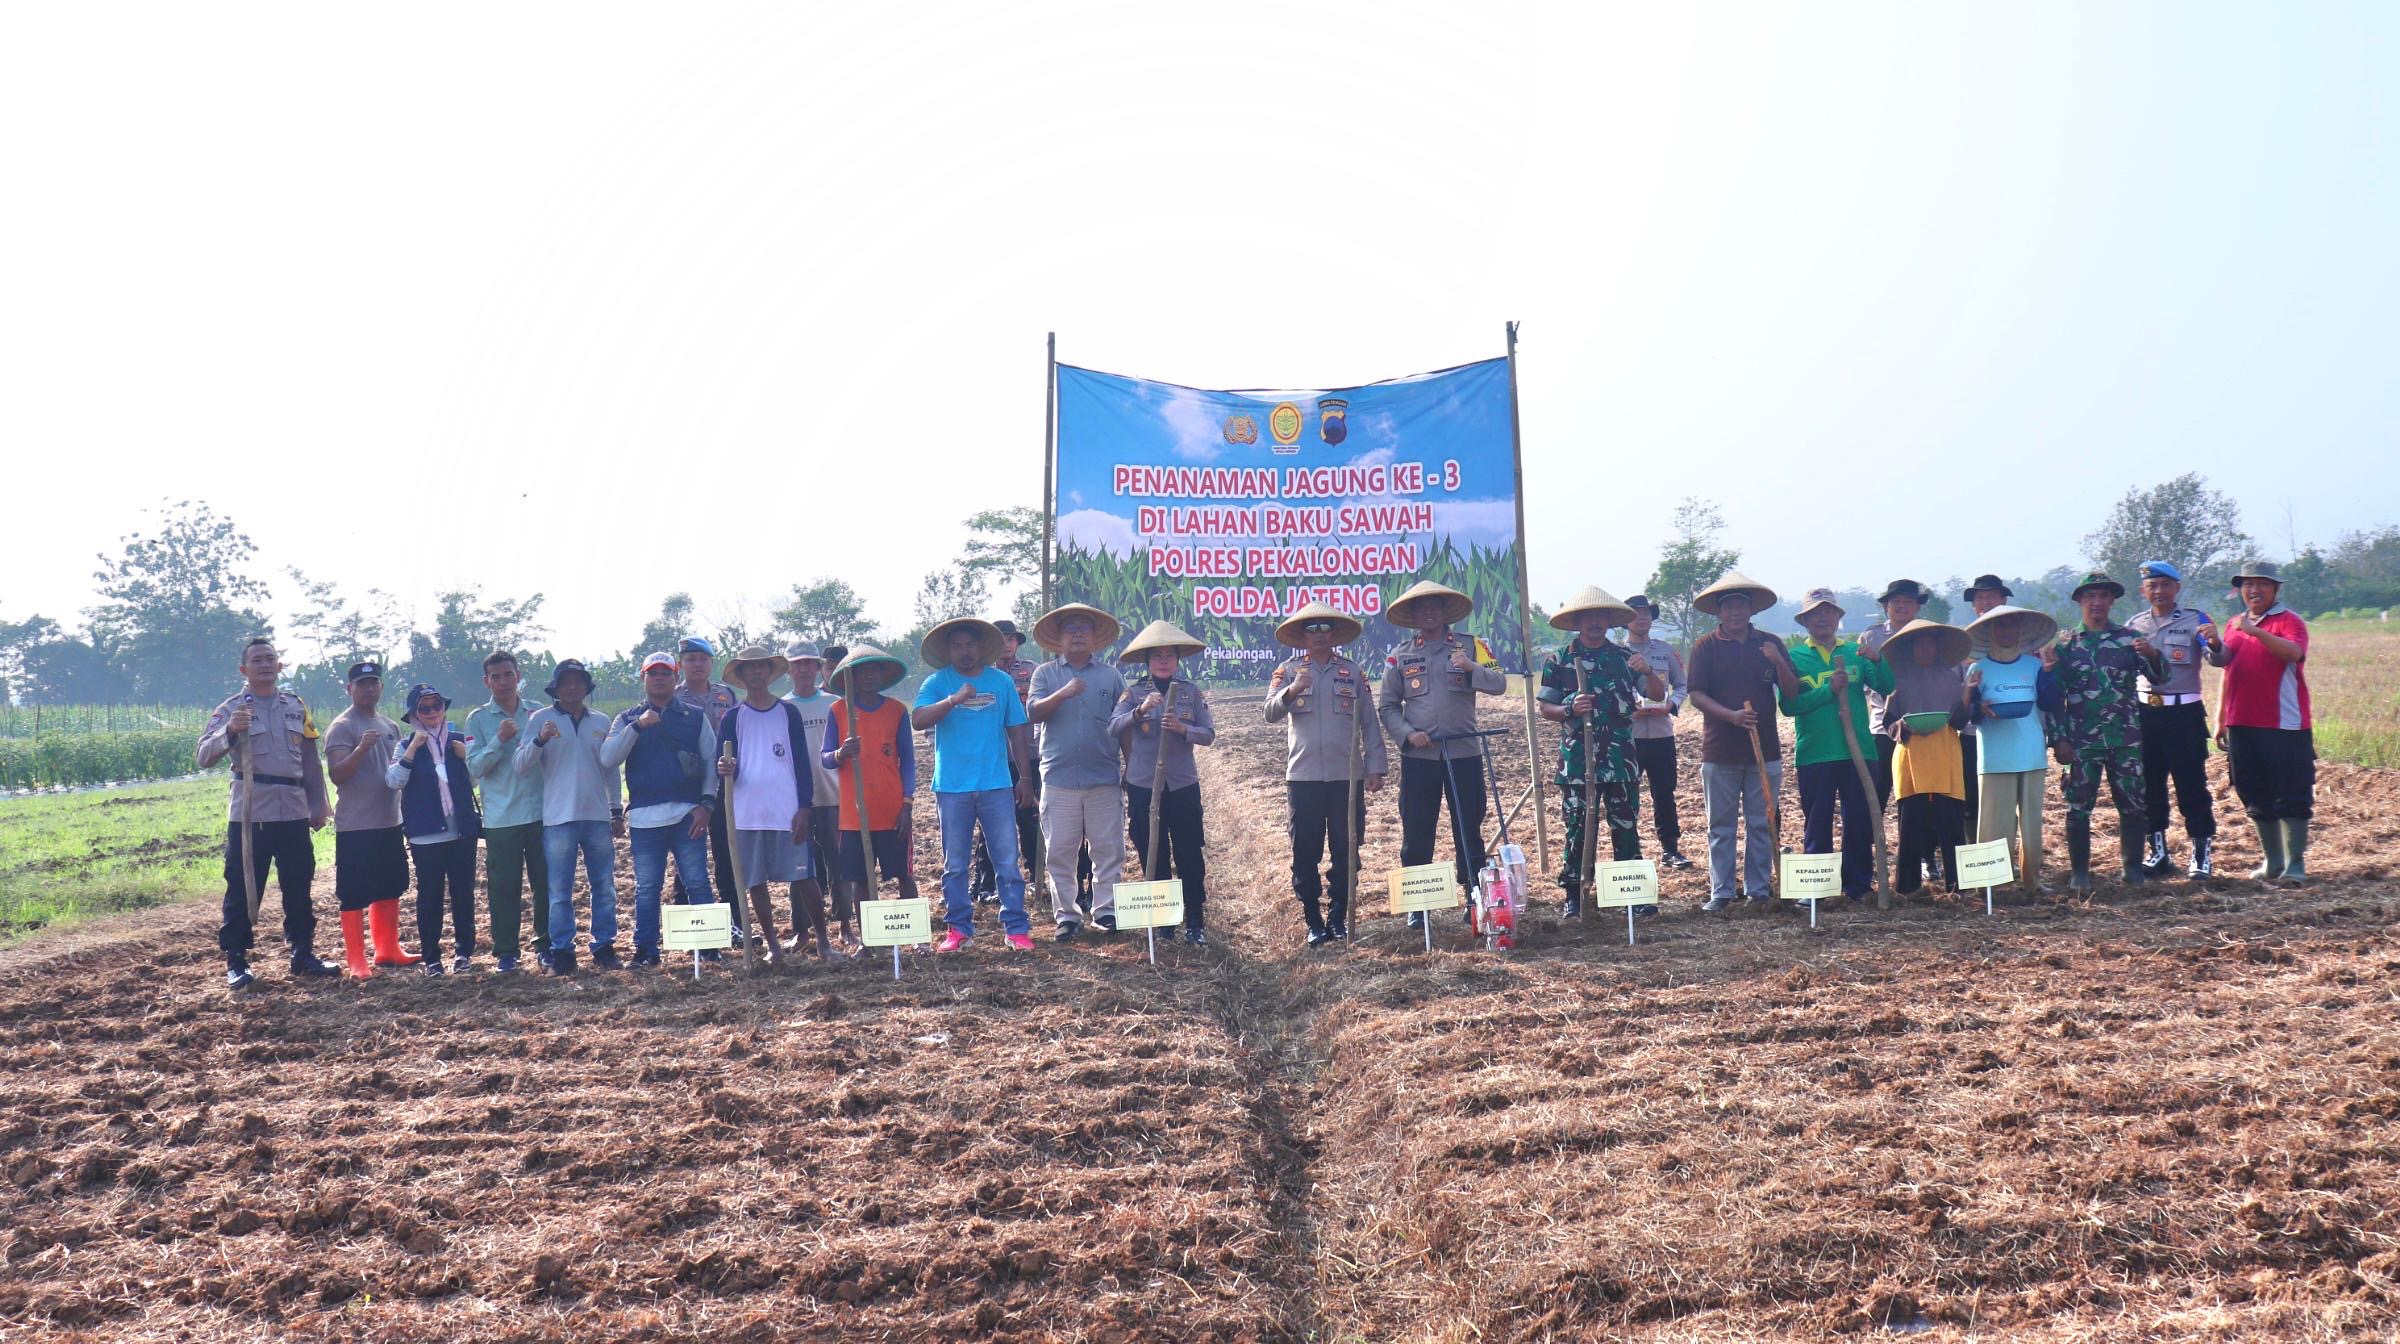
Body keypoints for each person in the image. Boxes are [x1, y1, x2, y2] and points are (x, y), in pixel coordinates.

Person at [195, 638, 335, 989]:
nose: (265, 664)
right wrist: (229, 732)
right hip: (250, 812)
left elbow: (309, 759)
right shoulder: (231, 709)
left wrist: (318, 804)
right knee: (243, 886)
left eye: (270, 659)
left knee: (299, 883)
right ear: (244, 670)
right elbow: (202, 755)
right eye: (257, 660)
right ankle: (236, 959)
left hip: (292, 808)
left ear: (280, 665)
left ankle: (303, 953)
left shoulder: (295, 706)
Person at [1378, 580, 1507, 925]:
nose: (1428, 612)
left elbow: (1499, 683)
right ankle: (1417, 906)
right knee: (1417, 828)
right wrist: (1408, 734)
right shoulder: (1399, 655)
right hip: (1420, 758)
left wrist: (1470, 668)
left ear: (1445, 611)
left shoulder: (1472, 645)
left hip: (1464, 753)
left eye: (1434, 605)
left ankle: (1475, 900)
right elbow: (1388, 707)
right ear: (1414, 615)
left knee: (1468, 827)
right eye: (1421, 607)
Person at [1536, 587, 1665, 915]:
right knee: (1578, 827)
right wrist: (1569, 707)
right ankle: (1575, 895)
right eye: (1588, 617)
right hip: (1578, 761)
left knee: (1625, 825)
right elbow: (1546, 707)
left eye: (1601, 616)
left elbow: (1656, 695)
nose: (1595, 622)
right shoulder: (1560, 659)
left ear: (1609, 621)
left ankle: (1632, 896)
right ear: (1577, 621)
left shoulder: (1625, 659)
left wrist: (1649, 672)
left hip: (1620, 759)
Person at [912, 617, 1038, 952]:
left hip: (996, 783)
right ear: (949, 650)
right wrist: (952, 700)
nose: (965, 651)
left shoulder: (1000, 682)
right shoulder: (938, 683)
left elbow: (1017, 729)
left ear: (982, 648)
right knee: (954, 863)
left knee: (1007, 861)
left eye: (970, 644)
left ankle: (1016, 927)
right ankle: (958, 929)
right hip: (952, 787)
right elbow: (918, 719)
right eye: (958, 645)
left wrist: (1024, 778)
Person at [1265, 601, 1388, 947]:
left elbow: (1369, 723)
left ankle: (1338, 916)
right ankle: (1313, 919)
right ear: (1302, 635)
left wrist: (1375, 767)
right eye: (1311, 629)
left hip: (1346, 778)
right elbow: (1269, 712)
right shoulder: (1288, 671)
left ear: (1334, 634)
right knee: (1305, 850)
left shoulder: (1352, 671)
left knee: (1347, 847)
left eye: (1324, 629)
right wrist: (1293, 691)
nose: (1318, 636)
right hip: (1302, 778)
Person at [1683, 573, 1800, 912]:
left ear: (1751, 610)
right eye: (1728, 606)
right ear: (1719, 612)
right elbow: (1696, 694)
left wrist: (1777, 661)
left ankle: (1758, 890)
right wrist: (1730, 716)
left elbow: (1791, 692)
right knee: (1720, 825)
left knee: (1762, 821)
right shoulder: (1706, 646)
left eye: (1741, 605)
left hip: (1765, 748)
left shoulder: (1770, 643)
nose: (1735, 612)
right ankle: (1721, 892)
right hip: (1720, 749)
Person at [603, 651, 723, 968]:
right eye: (652, 673)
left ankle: (710, 948)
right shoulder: (626, 718)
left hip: (688, 815)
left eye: (665, 673)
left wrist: (707, 804)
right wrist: (638, 727)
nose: (659, 678)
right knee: (647, 888)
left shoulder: (695, 716)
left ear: (675, 676)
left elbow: (711, 760)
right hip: (644, 819)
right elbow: (608, 758)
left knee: (697, 880)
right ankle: (646, 951)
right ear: (644, 678)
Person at [2051, 572, 2169, 891]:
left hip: (2125, 738)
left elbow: (2160, 679)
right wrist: (2058, 737)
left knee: (2132, 805)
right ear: (2079, 601)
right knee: (2078, 806)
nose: (2097, 602)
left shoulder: (2130, 639)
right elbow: (2053, 697)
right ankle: (2080, 873)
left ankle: (2131, 869)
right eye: (2090, 596)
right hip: (2080, 741)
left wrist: (2154, 655)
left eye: (2103, 596)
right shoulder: (2065, 646)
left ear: (2112, 601)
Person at [1780, 588, 1893, 903]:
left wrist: (1877, 659)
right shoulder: (1795, 658)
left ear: (1839, 618)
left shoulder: (1856, 651)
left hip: (1859, 750)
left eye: (1829, 612)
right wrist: (1828, 691)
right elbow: (1789, 706)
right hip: (1815, 751)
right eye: (1816, 613)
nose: (1823, 618)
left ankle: (1858, 885)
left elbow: (1886, 686)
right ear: (1805, 620)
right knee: (1817, 821)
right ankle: (1818, 889)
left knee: (1859, 819)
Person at [514, 658, 624, 975]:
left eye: (578, 681)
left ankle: (604, 945)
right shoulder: (540, 720)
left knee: (603, 885)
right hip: (558, 818)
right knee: (559, 891)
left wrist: (616, 809)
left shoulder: (602, 721)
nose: (573, 687)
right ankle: (562, 950)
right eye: (566, 682)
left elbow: (612, 769)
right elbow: (520, 765)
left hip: (597, 817)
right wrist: (540, 740)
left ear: (586, 687)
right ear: (557, 688)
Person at [1024, 603, 1127, 941]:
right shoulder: (1045, 674)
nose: (1079, 633)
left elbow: (1123, 724)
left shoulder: (1111, 676)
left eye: (1085, 628)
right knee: (1061, 851)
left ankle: (1106, 911)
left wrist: (1130, 768)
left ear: (1096, 637)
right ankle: (1067, 916)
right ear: (1059, 638)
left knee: (1107, 849)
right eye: (1071, 628)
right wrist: (1065, 692)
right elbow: (1034, 712)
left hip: (1104, 777)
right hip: (1059, 779)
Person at [1112, 620, 1219, 944]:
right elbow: (1113, 726)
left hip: (1182, 785)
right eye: (1157, 656)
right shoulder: (1133, 693)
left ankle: (1195, 921)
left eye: (1169, 656)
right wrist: (1140, 712)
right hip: (1144, 785)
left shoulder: (1189, 692)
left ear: (1177, 660)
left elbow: (1209, 733)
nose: (1163, 661)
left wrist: (1185, 731)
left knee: (1189, 852)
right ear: (1147, 661)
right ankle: (1164, 920)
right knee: (1151, 850)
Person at [714, 646, 817, 964]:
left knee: (804, 876)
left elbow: (802, 761)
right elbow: (725, 765)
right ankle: (773, 946)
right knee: (755, 880)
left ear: (770, 673)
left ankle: (822, 941)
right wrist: (725, 769)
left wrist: (804, 806)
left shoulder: (788, 712)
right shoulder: (732, 718)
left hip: (786, 809)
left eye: (762, 667)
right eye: (750, 669)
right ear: (742, 677)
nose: (756, 673)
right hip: (747, 813)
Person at [2124, 561, 2225, 878]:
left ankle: (2201, 855)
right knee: (2149, 786)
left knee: (2191, 785)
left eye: (2165, 584)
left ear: (2177, 588)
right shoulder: (2134, 625)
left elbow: (2218, 659)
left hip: (2184, 713)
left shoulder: (2196, 620)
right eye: (2152, 586)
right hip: (2147, 713)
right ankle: (2158, 852)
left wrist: (2216, 642)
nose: (2159, 591)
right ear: (2143, 591)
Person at [2216, 561, 2315, 884]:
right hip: (2240, 722)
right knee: (2252, 790)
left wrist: (2256, 631)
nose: (2254, 590)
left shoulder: (2289, 621)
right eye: (2247, 585)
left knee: (2292, 791)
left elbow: (2293, 653)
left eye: (2261, 584)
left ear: (2275, 589)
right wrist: (2221, 719)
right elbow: (2228, 671)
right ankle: (2273, 861)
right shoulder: (2234, 623)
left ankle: (2295, 863)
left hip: (2283, 723)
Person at [322, 659, 415, 978]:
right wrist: (361, 749)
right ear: (350, 689)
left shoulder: (391, 727)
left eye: (374, 682)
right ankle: (357, 960)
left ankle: (387, 950)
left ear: (381, 687)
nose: (369, 688)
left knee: (390, 886)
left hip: (390, 821)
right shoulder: (342, 727)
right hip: (357, 825)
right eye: (362, 684)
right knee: (353, 893)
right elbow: (337, 775)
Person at [1965, 605, 2064, 896]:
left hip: (2031, 752)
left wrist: (2048, 672)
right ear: (1990, 631)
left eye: (2011, 626)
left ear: (2020, 630)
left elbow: (2048, 702)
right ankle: (1990, 886)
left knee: (2032, 823)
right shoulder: (1978, 668)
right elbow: (1969, 714)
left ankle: (2032, 881)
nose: (2006, 631)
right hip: (1995, 756)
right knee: (1993, 822)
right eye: (2000, 626)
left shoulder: (2033, 666)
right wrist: (1977, 705)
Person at [385, 683, 481, 975]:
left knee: (463, 892)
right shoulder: (405, 745)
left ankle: (464, 953)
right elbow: (393, 781)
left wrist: (467, 758)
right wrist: (413, 748)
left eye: (437, 705)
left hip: (462, 829)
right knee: (430, 895)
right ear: (414, 714)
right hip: (426, 833)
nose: (432, 712)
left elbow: (476, 781)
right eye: (424, 708)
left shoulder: (458, 740)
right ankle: (432, 957)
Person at [823, 646, 922, 917]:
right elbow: (826, 758)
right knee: (860, 879)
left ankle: (915, 935)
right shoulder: (838, 711)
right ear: (851, 677)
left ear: (882, 674)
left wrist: (907, 804)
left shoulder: (897, 711)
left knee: (903, 874)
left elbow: (909, 762)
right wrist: (841, 753)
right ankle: (868, 941)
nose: (869, 676)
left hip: (891, 809)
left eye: (874, 670)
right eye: (862, 671)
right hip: (854, 815)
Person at [466, 650, 547, 974]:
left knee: (546, 884)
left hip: (541, 811)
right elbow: (475, 767)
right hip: (502, 817)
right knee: (503, 887)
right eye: (495, 677)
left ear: (518, 676)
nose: (502, 682)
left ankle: (547, 946)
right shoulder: (478, 719)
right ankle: (506, 953)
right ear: (486, 681)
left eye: (508, 674)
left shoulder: (538, 713)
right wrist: (498, 741)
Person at [1878, 621, 1972, 896]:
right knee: (1910, 822)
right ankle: (1908, 887)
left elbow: (1959, 720)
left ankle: (1958, 886)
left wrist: (1968, 694)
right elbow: (1888, 720)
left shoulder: (1950, 677)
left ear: (1938, 646)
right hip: (1912, 754)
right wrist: (1901, 727)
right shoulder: (1897, 679)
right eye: (1919, 643)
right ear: (1910, 648)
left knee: (1951, 820)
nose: (1925, 649)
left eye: (1930, 643)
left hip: (1945, 752)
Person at [671, 636, 743, 940]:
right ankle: (686, 926)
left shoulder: (726, 695)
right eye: (690, 659)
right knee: (688, 854)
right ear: (681, 664)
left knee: (728, 856)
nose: (697, 665)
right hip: (690, 786)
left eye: (702, 659)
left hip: (725, 784)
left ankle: (736, 923)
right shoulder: (673, 698)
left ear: (711, 662)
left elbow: (740, 733)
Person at [971, 620, 1045, 907]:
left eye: (1012, 638)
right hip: (990, 757)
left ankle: (1034, 878)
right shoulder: (981, 674)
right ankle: (985, 882)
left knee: (1029, 817)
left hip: (1026, 755)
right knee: (988, 822)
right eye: (1001, 638)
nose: (1007, 643)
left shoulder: (1032, 670)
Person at [782, 642, 851, 948]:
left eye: (809, 664)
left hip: (834, 795)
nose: (803, 670)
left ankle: (845, 925)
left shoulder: (834, 704)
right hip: (796, 801)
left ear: (818, 667)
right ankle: (802, 930)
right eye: (797, 664)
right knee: (799, 867)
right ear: (789, 670)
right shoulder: (782, 707)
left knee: (841, 864)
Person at [1621, 595, 1691, 868]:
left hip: (1662, 734)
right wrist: (1628, 710)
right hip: (1630, 736)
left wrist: (1671, 704)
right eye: (1636, 613)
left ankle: (1670, 849)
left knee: (1664, 793)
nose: (1642, 618)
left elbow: (1682, 685)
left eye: (1647, 613)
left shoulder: (1666, 651)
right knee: (1628, 796)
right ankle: (1631, 851)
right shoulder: (1618, 653)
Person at [1859, 579, 1930, 814]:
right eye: (1896, 602)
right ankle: (1869, 846)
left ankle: (1916, 847)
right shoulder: (1872, 637)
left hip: (1921, 723)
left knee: (1916, 791)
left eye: (1908, 602)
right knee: (1877, 789)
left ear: (1917, 606)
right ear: (1886, 607)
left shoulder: (1928, 633)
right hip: (1882, 723)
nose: (1902, 607)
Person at [1955, 575, 2014, 825]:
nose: (1986, 602)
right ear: (1973, 605)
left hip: (2011, 730)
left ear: (2003, 599)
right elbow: (1952, 688)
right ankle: (1975, 858)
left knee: (2008, 796)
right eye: (1980, 597)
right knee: (1972, 796)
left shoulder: (2019, 640)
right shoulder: (1961, 642)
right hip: (1971, 733)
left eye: (1991, 596)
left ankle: (2008, 851)